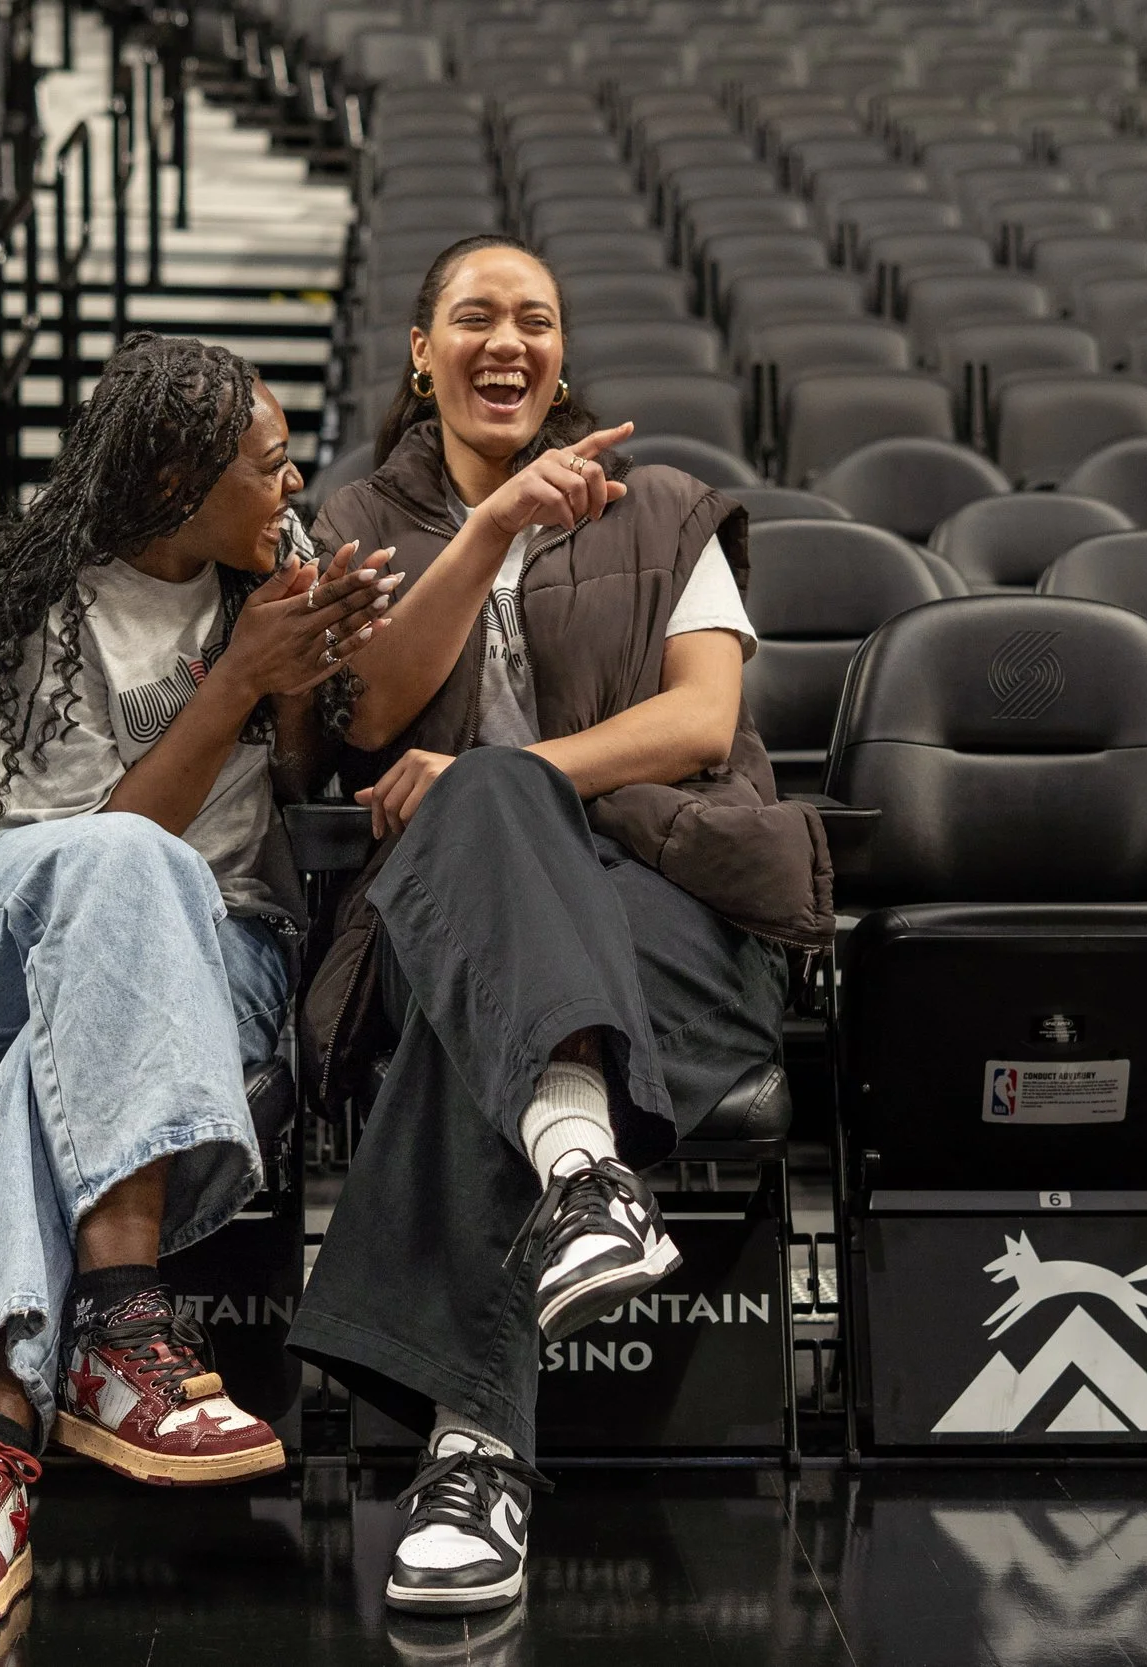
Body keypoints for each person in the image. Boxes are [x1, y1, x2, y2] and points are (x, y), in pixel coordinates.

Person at [286, 236, 834, 1615]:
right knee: (482, 897)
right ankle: (580, 1180)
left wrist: (506, 776)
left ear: (562, 353)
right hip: (441, 928)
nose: (508, 342)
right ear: (422, 352)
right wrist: (488, 533)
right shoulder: (355, 519)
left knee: (483, 888)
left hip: (677, 919)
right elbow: (364, 717)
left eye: (535, 319)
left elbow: (701, 721)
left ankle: (473, 1455)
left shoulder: (663, 507)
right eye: (475, 317)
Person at [0, 333, 399, 1628]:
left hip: (214, 958)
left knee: (50, 1061)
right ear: (172, 479)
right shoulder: (37, 605)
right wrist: (237, 680)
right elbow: (112, 839)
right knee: (125, 862)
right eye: (268, 466)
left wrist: (309, 681)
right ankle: (119, 1319)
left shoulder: (274, 569)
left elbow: (307, 781)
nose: (295, 487)